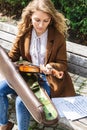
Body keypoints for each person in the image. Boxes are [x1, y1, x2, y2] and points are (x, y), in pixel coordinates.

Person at [0, 0, 75, 130]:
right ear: (30, 17)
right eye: (37, 20)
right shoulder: (24, 33)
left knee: (21, 101)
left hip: (47, 79)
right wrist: (6, 61)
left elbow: (62, 64)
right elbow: (12, 57)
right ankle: (4, 124)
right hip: (26, 75)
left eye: (46, 21)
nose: (41, 25)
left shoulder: (58, 37)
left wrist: (51, 66)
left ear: (51, 19)